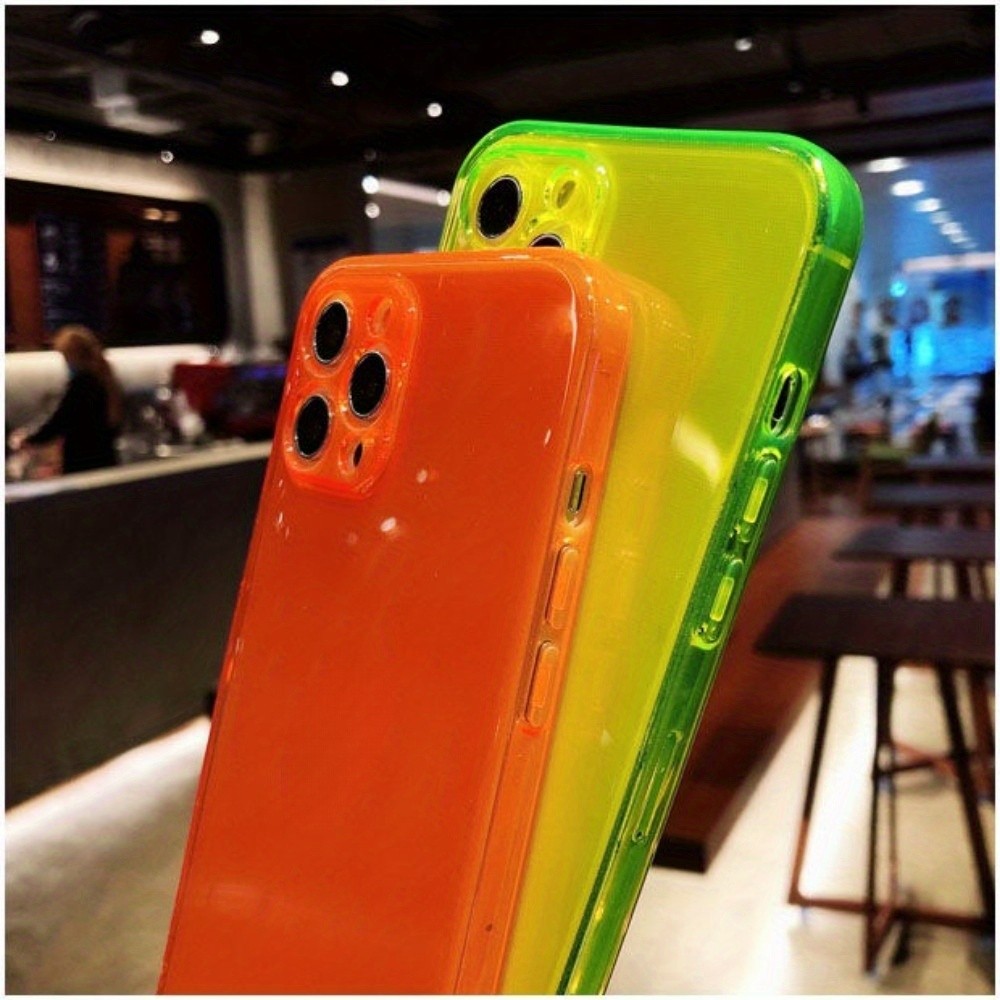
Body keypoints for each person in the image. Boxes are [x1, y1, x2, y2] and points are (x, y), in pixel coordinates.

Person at [13, 325, 125, 474]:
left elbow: (60, 420)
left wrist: (29, 439)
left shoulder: (82, 384)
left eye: (65, 357)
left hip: (83, 463)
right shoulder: (105, 380)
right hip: (105, 460)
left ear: (73, 356)